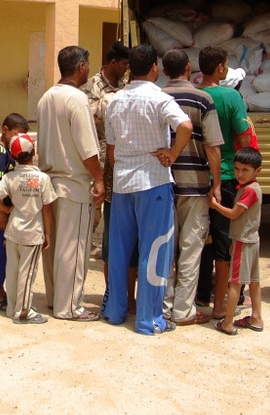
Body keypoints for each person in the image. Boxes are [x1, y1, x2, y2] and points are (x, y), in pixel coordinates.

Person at [103, 45, 192, 335]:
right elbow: (186, 126)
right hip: (153, 180)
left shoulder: (115, 101)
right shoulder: (160, 98)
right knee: (154, 249)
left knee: (119, 250)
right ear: (154, 67)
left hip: (123, 183)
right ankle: (148, 318)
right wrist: (173, 153)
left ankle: (115, 311)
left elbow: (112, 150)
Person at [37, 45, 105, 322]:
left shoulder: (46, 98)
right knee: (73, 248)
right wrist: (99, 178)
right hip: (73, 184)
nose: (88, 70)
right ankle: (70, 307)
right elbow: (87, 148)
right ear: (80, 67)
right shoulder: (76, 99)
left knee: (53, 247)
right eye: (87, 65)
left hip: (49, 183)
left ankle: (56, 300)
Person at [160, 49, 222, 327]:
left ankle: (163, 306)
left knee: (165, 247)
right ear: (188, 68)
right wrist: (216, 183)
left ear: (163, 71)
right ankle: (184, 311)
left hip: (162, 184)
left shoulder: (156, 97)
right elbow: (212, 146)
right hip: (195, 185)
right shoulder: (204, 99)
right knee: (190, 248)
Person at [196, 46, 251, 319]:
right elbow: (243, 138)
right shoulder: (232, 97)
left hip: (196, 178)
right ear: (220, 67)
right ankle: (221, 304)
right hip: (226, 178)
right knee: (222, 241)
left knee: (198, 238)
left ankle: (200, 293)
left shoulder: (194, 95)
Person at [0, 133, 57, 324]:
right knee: (27, 274)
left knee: (12, 271)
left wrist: (6, 209)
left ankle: (13, 308)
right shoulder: (42, 178)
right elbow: (47, 208)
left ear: (13, 156)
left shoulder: (11, 177)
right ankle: (24, 312)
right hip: (32, 232)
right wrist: (48, 233)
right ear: (33, 152)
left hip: (13, 231)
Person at [208, 147, 265, 335]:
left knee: (235, 282)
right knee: (254, 281)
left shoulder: (249, 191)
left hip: (244, 241)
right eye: (237, 169)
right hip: (252, 240)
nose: (240, 174)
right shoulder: (253, 188)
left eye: (245, 170)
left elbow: (234, 215)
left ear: (258, 171)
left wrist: (216, 206)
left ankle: (228, 322)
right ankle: (256, 317)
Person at [82, 42, 129, 264]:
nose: (126, 69)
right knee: (95, 202)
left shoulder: (127, 84)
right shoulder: (92, 86)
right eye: (124, 64)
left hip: (121, 154)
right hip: (98, 153)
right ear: (113, 62)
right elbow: (88, 116)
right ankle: (86, 244)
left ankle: (106, 245)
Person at [0, 113, 29, 311]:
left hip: (7, 215)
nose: (18, 139)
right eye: (16, 134)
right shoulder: (1, 153)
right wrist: (3, 212)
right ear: (5, 130)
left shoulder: (9, 152)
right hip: (1, 217)